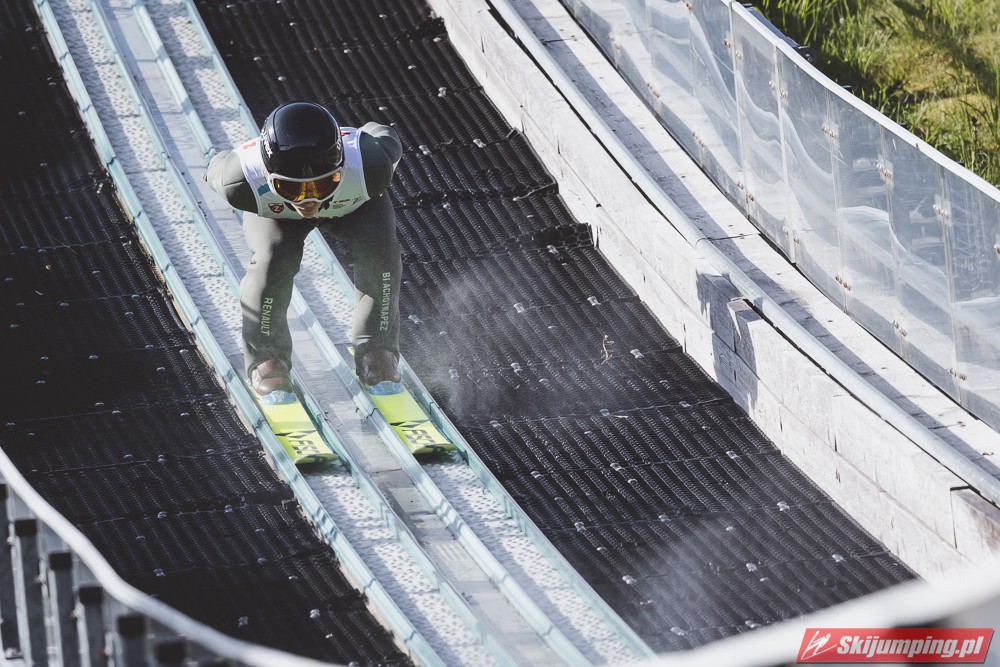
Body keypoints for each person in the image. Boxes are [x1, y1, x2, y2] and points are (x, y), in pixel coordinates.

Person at [205, 100, 403, 403]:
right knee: (271, 262)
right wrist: (325, 189)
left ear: (341, 169)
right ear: (267, 177)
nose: (309, 202)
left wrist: (291, 194)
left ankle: (377, 349)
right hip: (280, 214)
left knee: (382, 257)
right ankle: (266, 357)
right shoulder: (238, 180)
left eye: (323, 184)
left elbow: (383, 135)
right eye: (292, 188)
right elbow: (215, 166)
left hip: (353, 207)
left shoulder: (372, 165)